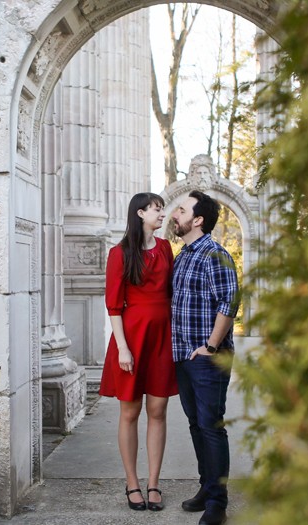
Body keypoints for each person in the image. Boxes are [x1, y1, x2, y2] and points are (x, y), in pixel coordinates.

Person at [99, 192, 178, 512]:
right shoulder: (120, 254)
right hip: (130, 338)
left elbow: (172, 293)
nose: (162, 214)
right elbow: (114, 305)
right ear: (140, 213)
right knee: (130, 413)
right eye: (157, 210)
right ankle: (132, 482)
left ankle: (154, 482)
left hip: (162, 337)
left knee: (158, 411)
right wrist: (122, 349)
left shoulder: (165, 248)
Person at [169, 190, 239, 525]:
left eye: (181, 210)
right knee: (197, 425)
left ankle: (217, 503)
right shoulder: (182, 256)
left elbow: (229, 303)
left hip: (207, 358)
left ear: (197, 220)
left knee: (211, 427)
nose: (174, 214)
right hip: (183, 355)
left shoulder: (215, 254)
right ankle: (206, 487)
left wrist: (210, 346)